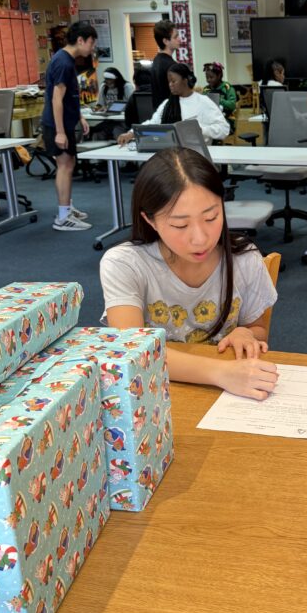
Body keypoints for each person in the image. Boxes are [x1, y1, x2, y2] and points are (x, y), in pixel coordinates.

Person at [100, 148, 279, 401]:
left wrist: (246, 333)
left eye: (211, 217)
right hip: (157, 395)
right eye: (180, 225)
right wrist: (220, 372)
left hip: (226, 395)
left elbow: (257, 328)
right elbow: (132, 350)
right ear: (150, 220)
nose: (200, 238)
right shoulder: (125, 264)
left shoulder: (244, 258)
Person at [40, 20, 97, 232]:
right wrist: (60, 132)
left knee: (69, 163)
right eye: (91, 42)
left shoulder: (66, 59)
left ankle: (68, 207)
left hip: (66, 121)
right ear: (80, 40)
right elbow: (57, 99)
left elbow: (69, 97)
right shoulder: (63, 62)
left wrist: (80, 116)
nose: (92, 48)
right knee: (64, 166)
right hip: (57, 125)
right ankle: (63, 217)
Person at [116, 62, 229, 145]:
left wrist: (200, 130)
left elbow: (224, 129)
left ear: (185, 80)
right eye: (169, 82)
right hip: (171, 152)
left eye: (174, 81)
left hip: (196, 155)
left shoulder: (203, 102)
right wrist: (131, 133)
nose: (170, 85)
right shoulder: (168, 104)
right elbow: (153, 123)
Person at [151, 20, 179, 109]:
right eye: (175, 37)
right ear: (166, 41)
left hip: (159, 112)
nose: (179, 39)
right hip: (171, 113)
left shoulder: (156, 61)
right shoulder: (172, 66)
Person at [202, 62, 237, 133]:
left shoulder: (227, 87)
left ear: (219, 76)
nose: (209, 80)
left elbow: (232, 105)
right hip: (210, 120)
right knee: (198, 127)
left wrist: (218, 100)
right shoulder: (206, 90)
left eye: (211, 77)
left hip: (227, 121)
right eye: (207, 78)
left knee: (209, 130)